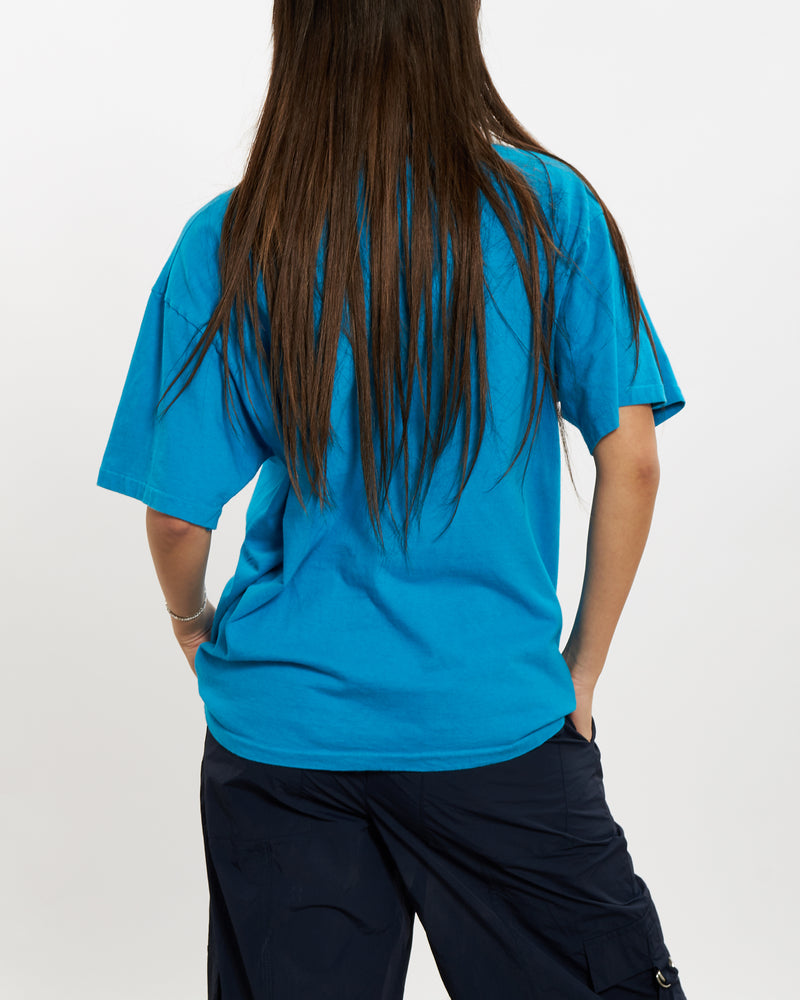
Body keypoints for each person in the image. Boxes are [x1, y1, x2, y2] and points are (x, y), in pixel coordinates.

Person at [98, 1, 689, 996]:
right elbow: (631, 460)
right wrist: (580, 674)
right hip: (495, 721)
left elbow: (176, 515)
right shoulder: (548, 212)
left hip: (284, 733)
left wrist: (190, 622)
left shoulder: (235, 235)